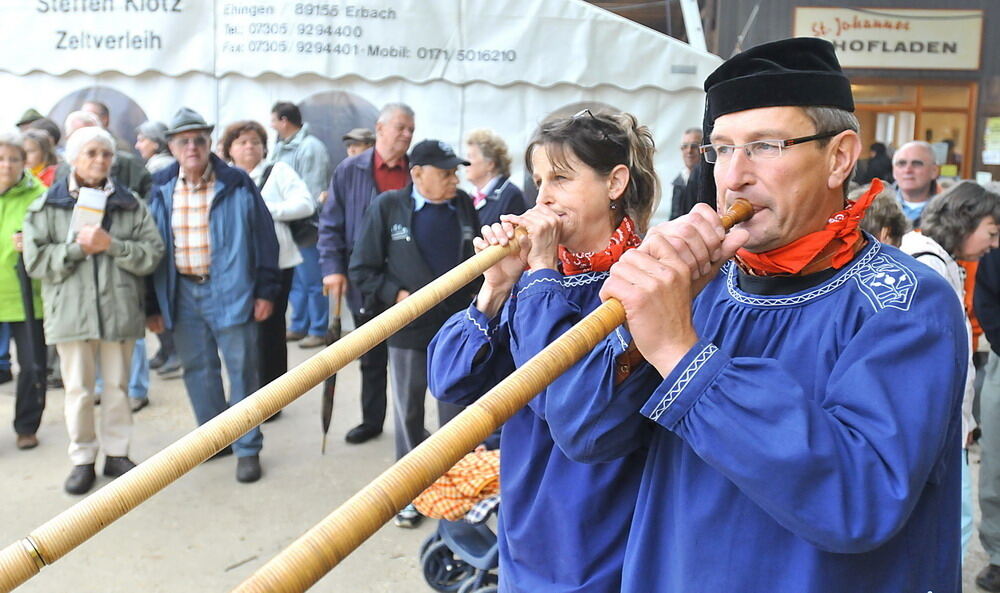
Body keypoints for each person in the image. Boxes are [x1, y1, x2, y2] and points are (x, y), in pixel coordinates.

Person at [541, 38, 967, 592]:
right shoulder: (701, 284)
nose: (734, 177)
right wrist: (636, 330)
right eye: (721, 149)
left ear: (839, 157)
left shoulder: (907, 301)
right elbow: (583, 435)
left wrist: (679, 351)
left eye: (764, 146)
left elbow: (859, 500)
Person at [427, 110, 659, 590]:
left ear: (615, 183)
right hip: (526, 524)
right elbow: (448, 381)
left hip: (602, 538)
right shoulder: (541, 278)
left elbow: (567, 405)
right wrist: (493, 289)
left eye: (561, 178)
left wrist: (537, 276)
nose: (543, 197)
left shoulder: (647, 281)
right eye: (537, 181)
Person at [23, 126, 164, 495]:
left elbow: (152, 253)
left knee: (118, 387)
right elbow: (36, 261)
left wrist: (111, 245)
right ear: (73, 158)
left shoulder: (130, 202)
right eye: (91, 153)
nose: (100, 160)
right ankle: (82, 458)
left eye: (105, 154)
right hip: (71, 313)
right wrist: (77, 250)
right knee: (79, 391)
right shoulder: (46, 205)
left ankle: (117, 453)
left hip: (119, 309)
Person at [350, 139, 480, 527]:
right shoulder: (389, 207)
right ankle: (410, 491)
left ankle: (455, 489)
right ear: (417, 174)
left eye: (456, 172)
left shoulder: (463, 207)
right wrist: (398, 295)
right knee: (408, 412)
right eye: (445, 173)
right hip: (409, 329)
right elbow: (363, 268)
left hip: (457, 329)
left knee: (456, 413)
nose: (453, 179)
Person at [146, 108, 280, 484]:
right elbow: (151, 246)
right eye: (183, 141)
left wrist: (266, 289)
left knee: (242, 369)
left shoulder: (236, 182)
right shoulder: (158, 186)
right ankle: (213, 440)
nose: (192, 147)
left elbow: (264, 238)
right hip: (181, 291)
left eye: (199, 139)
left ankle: (248, 448)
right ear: (171, 146)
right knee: (198, 369)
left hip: (231, 288)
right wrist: (151, 304)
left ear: (209, 143)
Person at [900, 182, 1000, 567]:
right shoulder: (929, 264)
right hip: (933, 427)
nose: (993, 245)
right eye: (991, 233)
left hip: (942, 423)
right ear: (965, 220)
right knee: (954, 526)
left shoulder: (939, 260)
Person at [319, 102, 415, 445]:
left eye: (411, 130)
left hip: (408, 281)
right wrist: (332, 269)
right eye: (401, 128)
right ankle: (372, 420)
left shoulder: (415, 171)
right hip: (366, 279)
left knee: (410, 359)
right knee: (371, 356)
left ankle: (412, 423)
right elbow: (330, 225)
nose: (407, 135)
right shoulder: (350, 170)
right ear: (380, 128)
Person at [222, 120, 313, 401]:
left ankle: (273, 396)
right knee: (239, 330)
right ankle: (245, 391)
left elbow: (306, 204)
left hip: (277, 263)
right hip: (235, 265)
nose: (249, 147)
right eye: (242, 142)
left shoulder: (278, 172)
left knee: (272, 331)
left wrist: (265, 211)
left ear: (264, 148)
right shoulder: (223, 177)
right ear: (229, 149)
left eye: (255, 142)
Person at [0, 132, 48, 450]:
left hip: (28, 296)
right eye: (0, 158)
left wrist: (30, 243)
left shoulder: (39, 194)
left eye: (13, 159)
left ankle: (26, 426)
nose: (6, 165)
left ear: (24, 162)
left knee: (32, 366)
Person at [269, 101, 330, 350]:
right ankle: (298, 325)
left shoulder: (311, 147)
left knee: (314, 281)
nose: (271, 125)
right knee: (296, 280)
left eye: (273, 120)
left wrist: (298, 213)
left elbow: (313, 191)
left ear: (284, 121)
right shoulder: (279, 147)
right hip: (286, 225)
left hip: (306, 226)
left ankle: (319, 330)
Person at [464, 128, 526, 226]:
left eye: (471, 157)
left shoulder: (511, 195)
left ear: (490, 164)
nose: (465, 163)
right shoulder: (468, 198)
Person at [893, 140, 939, 224]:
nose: (907, 170)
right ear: (894, 171)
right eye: (901, 163)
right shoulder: (874, 208)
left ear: (934, 171)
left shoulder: (951, 211)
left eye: (917, 164)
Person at [670, 127, 703, 219]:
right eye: (684, 147)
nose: (689, 151)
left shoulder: (709, 179)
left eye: (694, 146)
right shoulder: (678, 181)